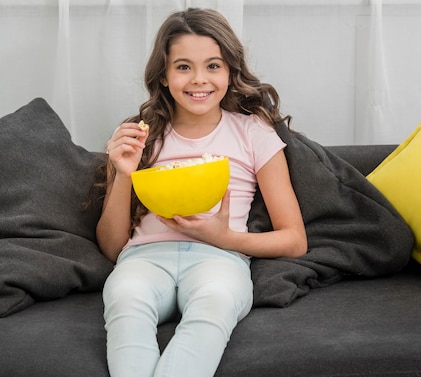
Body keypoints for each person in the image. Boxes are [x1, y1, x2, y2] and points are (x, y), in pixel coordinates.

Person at [96, 8, 307, 377]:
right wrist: (124, 173)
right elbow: (113, 247)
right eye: (182, 67)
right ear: (162, 75)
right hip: (145, 259)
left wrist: (225, 237)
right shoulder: (139, 134)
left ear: (229, 71)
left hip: (220, 259)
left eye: (213, 66)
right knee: (125, 300)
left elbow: (294, 240)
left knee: (216, 302)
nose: (199, 80)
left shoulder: (253, 131)